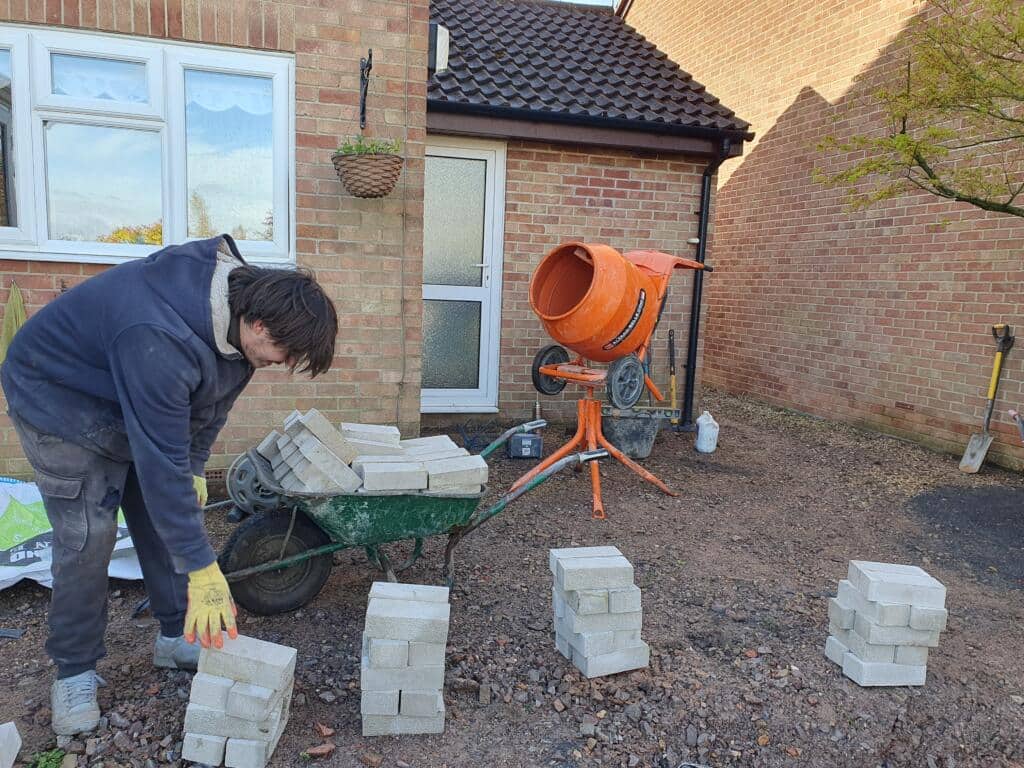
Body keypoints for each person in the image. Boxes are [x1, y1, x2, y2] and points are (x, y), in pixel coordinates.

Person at [1, 234, 338, 735]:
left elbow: (210, 409)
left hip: (131, 393)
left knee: (164, 521)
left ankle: (175, 634)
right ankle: (75, 670)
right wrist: (204, 568)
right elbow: (160, 463)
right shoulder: (157, 331)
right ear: (259, 322)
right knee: (88, 539)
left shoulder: (239, 327)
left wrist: (197, 465)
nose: (281, 364)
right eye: (283, 351)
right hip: (59, 402)